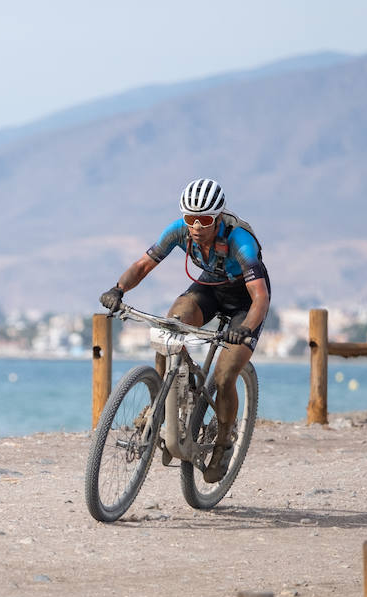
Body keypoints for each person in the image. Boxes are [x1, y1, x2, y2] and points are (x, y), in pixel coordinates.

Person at [100, 178, 270, 480]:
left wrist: (245, 328)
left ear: (217, 218)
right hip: (210, 288)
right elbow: (142, 265)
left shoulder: (239, 241)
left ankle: (223, 443)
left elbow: (260, 297)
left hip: (245, 301)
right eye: (190, 219)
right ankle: (162, 405)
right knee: (170, 325)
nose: (196, 227)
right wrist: (118, 289)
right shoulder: (177, 230)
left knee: (225, 374)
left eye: (204, 220)